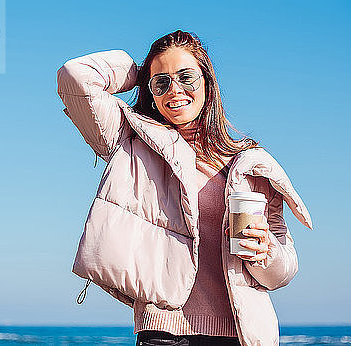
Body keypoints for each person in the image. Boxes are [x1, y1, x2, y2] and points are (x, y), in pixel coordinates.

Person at [56, 30, 313, 346]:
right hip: (165, 333)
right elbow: (76, 76)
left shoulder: (251, 165)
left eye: (186, 77)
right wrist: (141, 72)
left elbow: (282, 272)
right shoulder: (130, 141)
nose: (174, 90)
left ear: (207, 81)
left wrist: (266, 251)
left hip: (242, 335)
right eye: (161, 83)